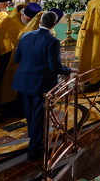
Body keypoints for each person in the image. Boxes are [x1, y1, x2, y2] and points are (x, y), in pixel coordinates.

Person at [12, 11, 73, 161]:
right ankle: (34, 152)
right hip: (40, 84)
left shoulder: (26, 35)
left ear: (40, 21)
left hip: (24, 81)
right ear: (54, 24)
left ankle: (33, 137)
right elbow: (54, 67)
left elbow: (17, 58)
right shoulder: (52, 41)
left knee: (30, 114)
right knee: (39, 117)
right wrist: (69, 70)